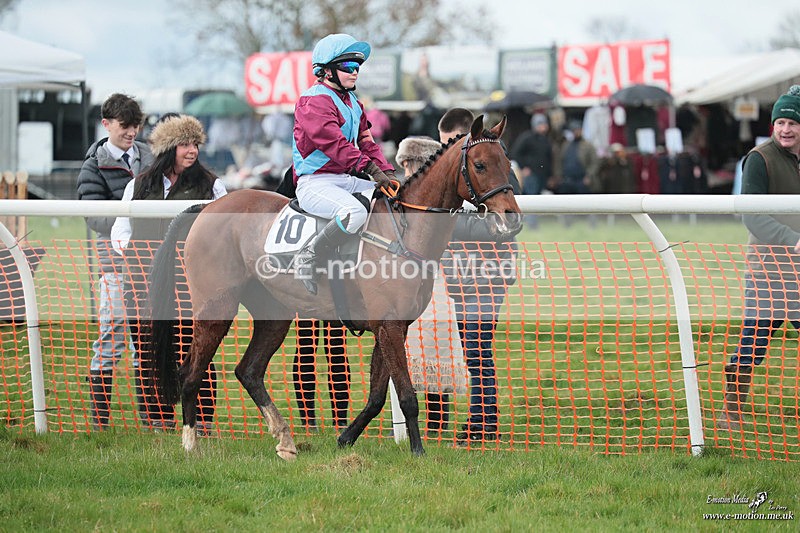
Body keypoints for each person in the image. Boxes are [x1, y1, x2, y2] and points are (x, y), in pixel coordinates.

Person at [111, 113, 228, 434]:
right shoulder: (139, 184)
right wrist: (134, 254)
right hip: (144, 283)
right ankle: (157, 418)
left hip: (193, 286)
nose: (192, 150)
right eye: (184, 144)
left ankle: (201, 419)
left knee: (197, 348)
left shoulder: (211, 185)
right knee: (149, 349)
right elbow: (120, 228)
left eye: (195, 144)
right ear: (168, 148)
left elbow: (225, 230)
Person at [717, 85, 800, 431]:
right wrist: (794, 240)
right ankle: (731, 412)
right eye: (780, 122)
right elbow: (752, 216)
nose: (785, 129)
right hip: (768, 272)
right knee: (753, 343)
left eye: (792, 123)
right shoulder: (759, 159)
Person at [292, 33, 396, 295]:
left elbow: (367, 143)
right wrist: (371, 170)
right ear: (327, 71)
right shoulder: (313, 101)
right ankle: (309, 255)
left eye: (357, 66)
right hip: (314, 183)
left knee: (392, 199)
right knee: (355, 212)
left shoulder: (354, 104)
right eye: (348, 66)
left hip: (345, 180)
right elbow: (334, 144)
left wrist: (388, 173)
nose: (355, 72)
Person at [438, 108, 519, 444]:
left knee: (476, 348)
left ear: (466, 137)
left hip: (489, 273)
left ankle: (482, 425)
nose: (448, 150)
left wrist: (450, 226)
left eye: (451, 143)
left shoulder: (494, 164)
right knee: (472, 350)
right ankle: (481, 422)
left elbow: (507, 224)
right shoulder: (457, 170)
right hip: (461, 277)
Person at [77, 93, 154, 430]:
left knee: (146, 343)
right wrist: (133, 219)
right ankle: (101, 424)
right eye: (125, 126)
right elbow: (95, 217)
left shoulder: (151, 157)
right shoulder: (93, 166)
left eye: (136, 126)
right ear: (106, 124)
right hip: (115, 265)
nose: (131, 132)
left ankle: (152, 418)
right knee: (111, 338)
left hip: (151, 263)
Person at [395, 135, 468, 436]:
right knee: (413, 354)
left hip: (434, 285)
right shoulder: (401, 199)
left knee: (435, 354)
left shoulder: (436, 203)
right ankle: (414, 423)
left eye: (408, 164)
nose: (405, 171)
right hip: (409, 283)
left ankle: (437, 424)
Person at [292, 319, 350, 430]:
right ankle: (308, 422)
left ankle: (340, 422)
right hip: (307, 310)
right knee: (305, 346)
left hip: (335, 309)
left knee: (337, 347)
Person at [510, 112, 553, 228]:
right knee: (531, 198)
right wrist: (524, 167)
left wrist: (550, 175)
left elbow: (548, 159)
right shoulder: (527, 138)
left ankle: (532, 222)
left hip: (541, 175)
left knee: (536, 198)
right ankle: (531, 223)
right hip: (531, 175)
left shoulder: (545, 140)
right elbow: (515, 153)